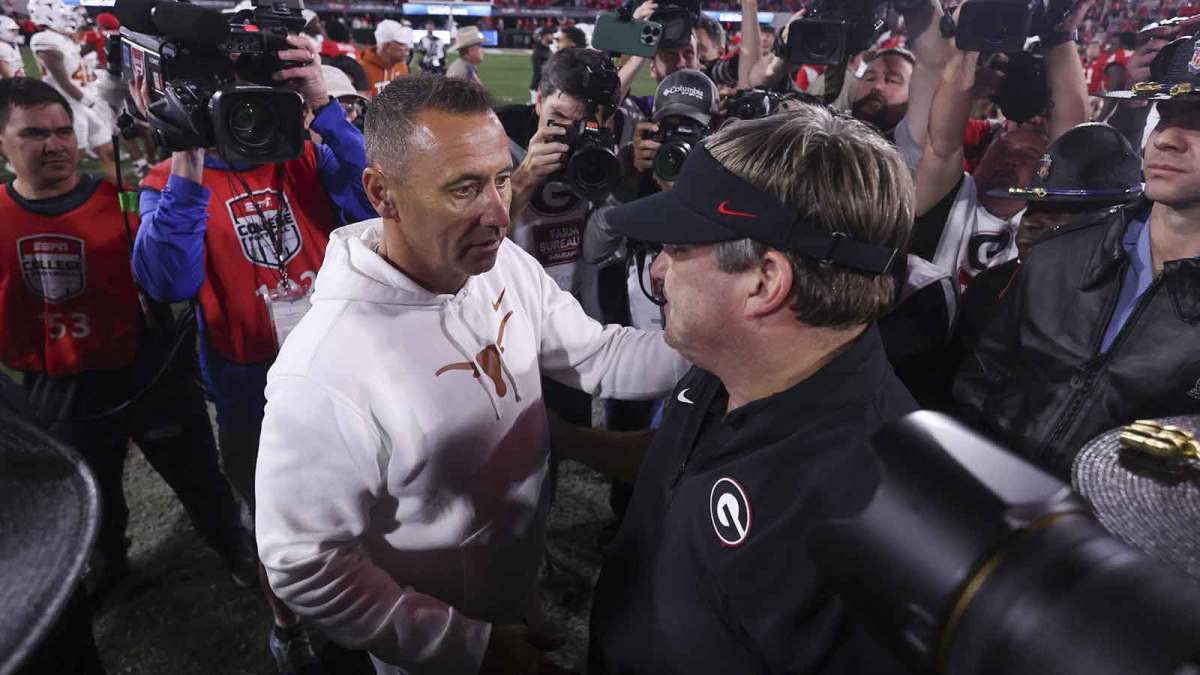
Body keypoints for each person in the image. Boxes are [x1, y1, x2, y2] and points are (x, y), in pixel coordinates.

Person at [254, 74, 688, 675]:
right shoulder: (323, 368)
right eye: (464, 189)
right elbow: (304, 564)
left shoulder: (499, 262)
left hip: (511, 584)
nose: (498, 214)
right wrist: (470, 647)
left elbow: (595, 355)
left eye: (501, 179)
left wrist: (716, 341)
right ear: (383, 194)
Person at [579, 105, 917, 673]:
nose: (659, 270)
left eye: (679, 249)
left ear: (765, 281)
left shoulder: (868, 516)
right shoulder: (730, 361)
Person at [130, 36, 374, 675]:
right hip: (249, 382)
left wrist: (324, 108)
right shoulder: (165, 182)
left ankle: (359, 609)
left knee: (359, 498)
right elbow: (166, 283)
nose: (240, 107)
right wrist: (187, 160)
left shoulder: (300, 154)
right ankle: (288, 624)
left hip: (335, 362)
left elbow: (377, 200)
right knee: (271, 513)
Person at [0, 77, 254, 602]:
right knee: (90, 496)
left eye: (64, 131)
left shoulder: (121, 199)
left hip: (147, 372)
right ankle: (107, 565)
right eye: (34, 134)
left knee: (199, 479)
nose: (55, 144)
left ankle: (235, 550)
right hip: (59, 388)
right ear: (3, 142)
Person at [954, 45, 1200, 479]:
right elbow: (977, 390)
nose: (1166, 138)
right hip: (986, 512)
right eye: (1165, 115)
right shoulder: (1056, 257)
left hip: (1123, 541)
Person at [912, 0, 1091, 293]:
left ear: (1046, 172)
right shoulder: (950, 195)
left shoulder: (1047, 218)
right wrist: (966, 44)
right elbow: (942, 143)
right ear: (980, 158)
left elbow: (1072, 142)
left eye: (1028, 156)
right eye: (1003, 150)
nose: (1010, 160)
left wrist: (1060, 35)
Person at [27, 0, 116, 184]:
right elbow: (63, 80)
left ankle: (118, 191)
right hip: (68, 104)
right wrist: (87, 100)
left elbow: (76, 63)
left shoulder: (64, 38)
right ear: (48, 14)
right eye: (64, 13)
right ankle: (49, 193)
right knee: (73, 156)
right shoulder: (44, 40)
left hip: (82, 101)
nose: (71, 18)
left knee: (106, 149)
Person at [359, 19, 411, 98]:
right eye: (401, 44)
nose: (407, 48)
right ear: (386, 46)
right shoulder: (361, 69)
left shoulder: (402, 67)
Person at [529, 26, 553, 104]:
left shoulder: (548, 49)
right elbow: (538, 71)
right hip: (538, 86)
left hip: (546, 86)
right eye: (550, 34)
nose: (552, 36)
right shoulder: (539, 52)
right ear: (544, 36)